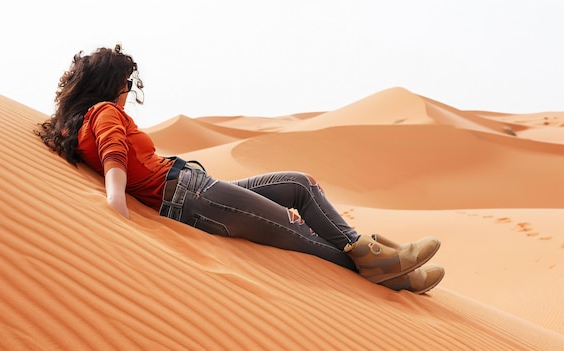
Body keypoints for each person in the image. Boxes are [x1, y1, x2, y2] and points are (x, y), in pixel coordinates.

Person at [36, 44, 444, 294]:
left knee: (298, 186)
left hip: (196, 188)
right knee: (299, 235)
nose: (128, 92)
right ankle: (394, 276)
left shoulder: (81, 120)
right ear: (110, 85)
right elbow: (114, 161)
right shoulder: (105, 112)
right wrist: (116, 214)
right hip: (189, 196)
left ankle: (374, 253)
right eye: (126, 84)